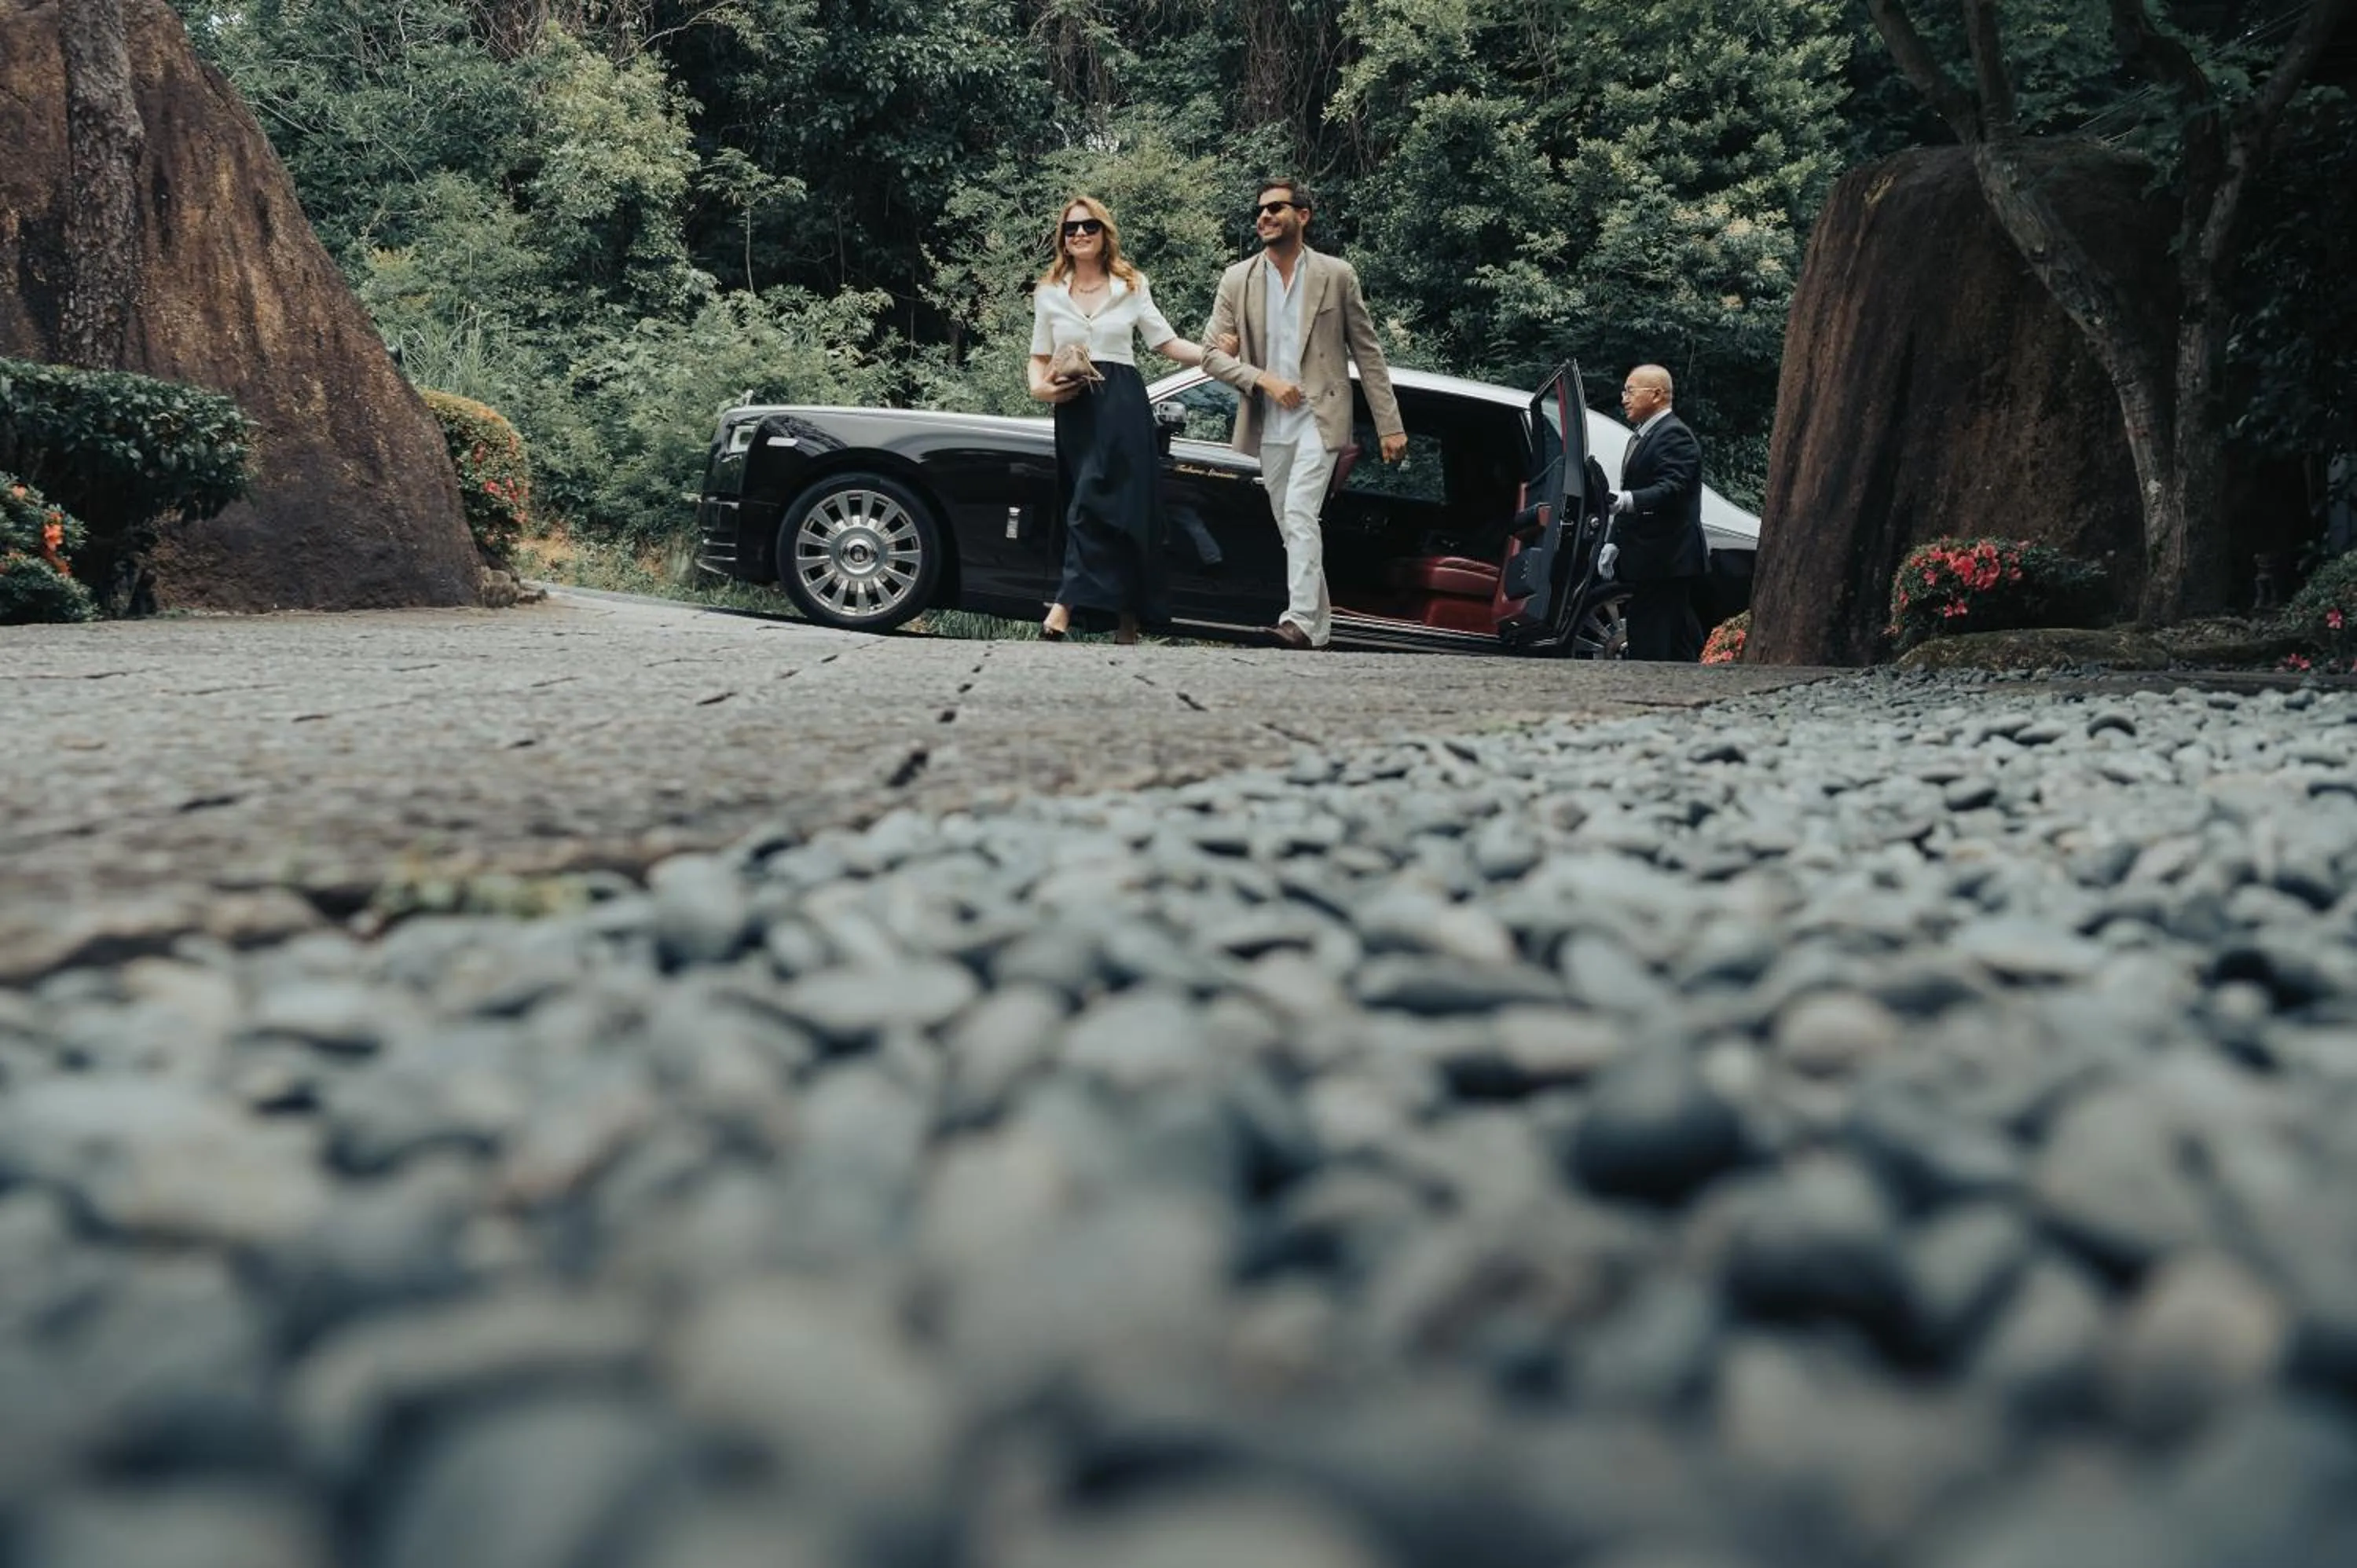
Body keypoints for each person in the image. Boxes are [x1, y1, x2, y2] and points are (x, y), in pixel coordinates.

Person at [1198, 179, 1406, 650]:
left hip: (1322, 415)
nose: (1264, 217)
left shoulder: (1336, 275)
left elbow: (1368, 353)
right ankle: (1318, 631)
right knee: (1294, 527)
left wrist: (1389, 425)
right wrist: (1262, 379)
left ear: (1303, 216)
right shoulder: (1237, 279)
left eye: (1276, 208)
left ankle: (1296, 621)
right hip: (1268, 421)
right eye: (1261, 211)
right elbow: (1210, 355)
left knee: (1298, 512)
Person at [1028, 196, 1219, 643]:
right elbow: (1037, 357)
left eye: (1088, 227)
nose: (1079, 234)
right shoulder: (1049, 291)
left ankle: (1064, 607)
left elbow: (1165, 343)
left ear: (1103, 232)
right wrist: (1040, 388)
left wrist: (1218, 358)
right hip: (1075, 405)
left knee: (1118, 507)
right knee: (1085, 501)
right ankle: (1126, 622)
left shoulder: (1131, 284)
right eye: (1071, 228)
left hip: (1123, 403)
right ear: (1063, 238)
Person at [1608, 365, 1707, 661]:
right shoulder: (1642, 436)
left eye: (1630, 390)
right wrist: (1614, 540)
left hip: (1667, 558)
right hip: (1652, 559)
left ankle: (1649, 696)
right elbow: (1634, 486)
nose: (1623, 398)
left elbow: (1672, 488)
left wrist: (1627, 501)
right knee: (1675, 641)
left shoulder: (1675, 434)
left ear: (1656, 395)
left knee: (1651, 641)